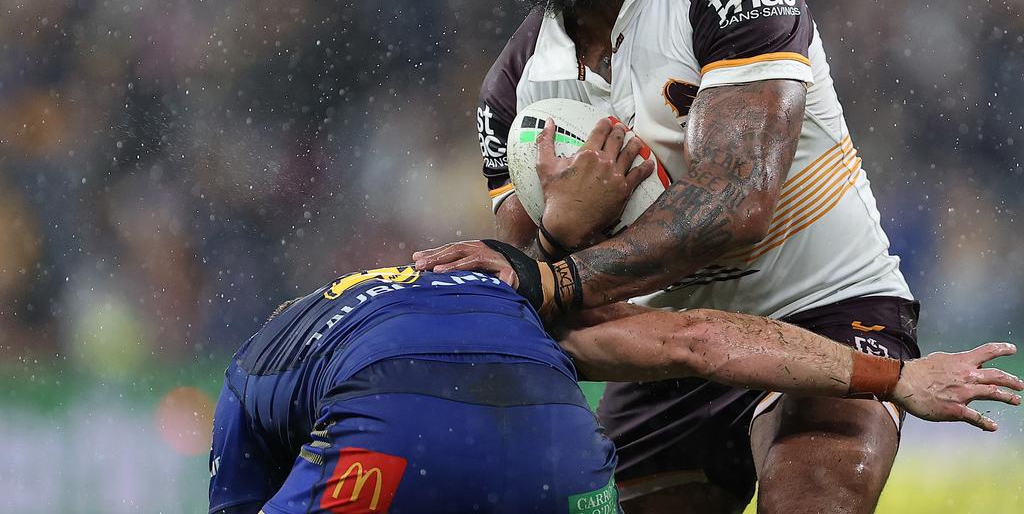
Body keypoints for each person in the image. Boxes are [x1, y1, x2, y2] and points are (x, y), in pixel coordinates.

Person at [438, 0, 957, 513]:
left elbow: (735, 204)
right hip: (667, 347)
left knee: (811, 501)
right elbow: (535, 295)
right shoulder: (513, 86)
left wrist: (560, 272)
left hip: (824, 306)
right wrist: (562, 228)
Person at [209, 253, 1021, 514]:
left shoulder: (254, 364)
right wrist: (899, 375)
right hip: (564, 454)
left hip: (384, 434)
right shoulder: (526, 301)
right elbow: (702, 339)